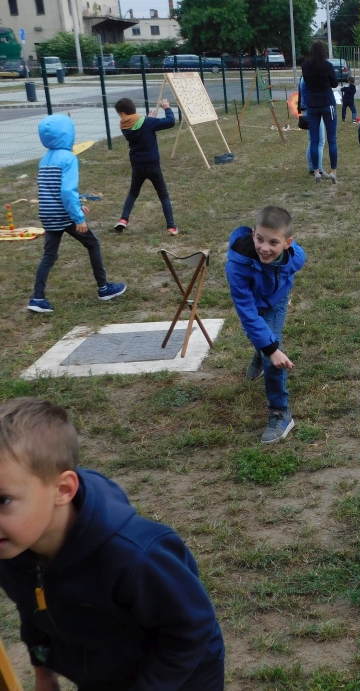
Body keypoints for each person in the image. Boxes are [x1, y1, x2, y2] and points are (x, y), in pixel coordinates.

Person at [0, 397, 226, 690]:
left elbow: (191, 628)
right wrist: (44, 673)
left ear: (63, 490)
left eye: (2, 500)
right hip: (101, 676)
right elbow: (32, 608)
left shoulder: (135, 557)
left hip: (182, 678)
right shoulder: (12, 549)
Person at [27, 114, 126, 314]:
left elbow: (54, 189)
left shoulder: (44, 160)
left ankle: (37, 298)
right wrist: (78, 217)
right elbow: (66, 191)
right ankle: (104, 289)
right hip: (64, 215)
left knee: (49, 255)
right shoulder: (69, 158)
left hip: (47, 214)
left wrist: (78, 203)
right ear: (68, 134)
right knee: (93, 244)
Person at [226, 206, 306, 443]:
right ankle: (261, 352)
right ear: (253, 234)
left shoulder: (296, 257)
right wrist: (268, 348)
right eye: (260, 239)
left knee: (273, 349)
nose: (264, 247)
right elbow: (247, 313)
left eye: (273, 242)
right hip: (252, 303)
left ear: (288, 243)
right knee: (259, 336)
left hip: (276, 300)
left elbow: (292, 267)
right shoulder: (237, 266)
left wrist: (272, 350)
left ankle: (281, 412)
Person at [112, 97, 177, 236]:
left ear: (122, 114)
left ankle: (123, 219)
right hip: (152, 165)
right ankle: (171, 227)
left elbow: (139, 126)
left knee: (133, 193)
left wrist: (148, 119)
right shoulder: (148, 122)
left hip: (137, 166)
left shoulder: (124, 125)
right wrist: (166, 108)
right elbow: (171, 122)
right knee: (163, 195)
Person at [300, 40, 338, 183]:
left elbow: (306, 83)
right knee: (331, 139)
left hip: (312, 104)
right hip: (327, 103)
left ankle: (316, 171)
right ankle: (333, 171)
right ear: (324, 51)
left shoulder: (305, 66)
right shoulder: (328, 66)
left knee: (314, 140)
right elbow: (334, 83)